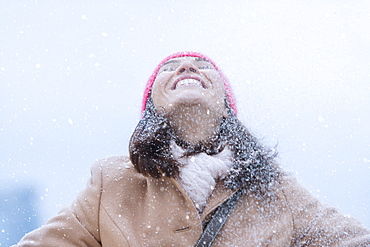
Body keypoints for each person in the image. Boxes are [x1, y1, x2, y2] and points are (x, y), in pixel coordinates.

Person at [15, 51, 370, 246]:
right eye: (170, 68)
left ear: (227, 107)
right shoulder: (111, 182)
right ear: (151, 109)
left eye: (203, 67)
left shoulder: (275, 189)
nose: (187, 66)